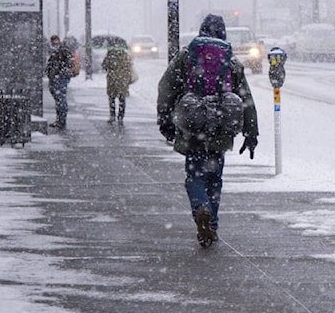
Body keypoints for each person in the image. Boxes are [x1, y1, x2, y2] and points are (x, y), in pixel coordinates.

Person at [157, 14, 259, 247]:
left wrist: (165, 119)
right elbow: (246, 99)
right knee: (214, 178)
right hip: (221, 129)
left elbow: (166, 88)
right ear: (223, 34)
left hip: (193, 128)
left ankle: (201, 208)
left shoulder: (186, 57)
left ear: (201, 32)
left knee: (195, 176)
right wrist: (251, 133)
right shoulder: (230, 62)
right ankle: (211, 223)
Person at [45, 34, 74, 129]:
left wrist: (59, 73)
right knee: (58, 99)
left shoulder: (63, 50)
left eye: (55, 41)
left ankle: (61, 120)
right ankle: (60, 120)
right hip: (56, 78)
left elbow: (68, 64)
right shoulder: (55, 52)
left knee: (60, 99)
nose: (54, 44)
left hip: (60, 78)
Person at [101, 44, 133, 125]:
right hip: (122, 80)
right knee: (122, 99)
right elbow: (129, 67)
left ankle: (112, 115)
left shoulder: (110, 56)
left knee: (112, 98)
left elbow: (104, 66)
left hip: (112, 80)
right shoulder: (125, 55)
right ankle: (121, 116)